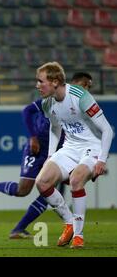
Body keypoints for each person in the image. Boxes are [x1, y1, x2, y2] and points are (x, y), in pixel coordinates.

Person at [0, 72, 93, 239]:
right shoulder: (54, 99)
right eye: (84, 85)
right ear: (73, 85)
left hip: (59, 154)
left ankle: (19, 229)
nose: (86, 90)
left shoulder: (85, 108)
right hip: (37, 148)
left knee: (49, 192)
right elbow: (27, 111)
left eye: (89, 87)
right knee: (23, 190)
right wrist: (32, 136)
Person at [35, 62, 113, 249]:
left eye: (41, 81)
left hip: (92, 147)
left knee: (76, 180)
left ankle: (78, 236)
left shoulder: (80, 97)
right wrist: (51, 155)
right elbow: (55, 128)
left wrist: (101, 160)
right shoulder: (47, 103)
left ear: (55, 81)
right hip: (70, 147)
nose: (37, 85)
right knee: (42, 181)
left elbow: (107, 130)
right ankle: (69, 222)